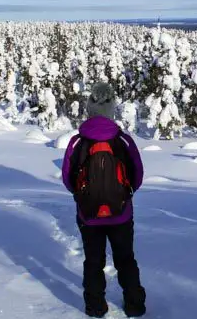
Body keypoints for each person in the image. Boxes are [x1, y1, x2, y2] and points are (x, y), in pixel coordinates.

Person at [61, 83, 146, 318]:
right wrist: (124, 196)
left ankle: (95, 307)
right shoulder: (123, 141)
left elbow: (67, 178)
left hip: (88, 215)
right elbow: (137, 175)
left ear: (89, 109)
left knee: (93, 261)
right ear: (112, 110)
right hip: (121, 213)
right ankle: (135, 306)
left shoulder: (77, 142)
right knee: (125, 258)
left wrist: (83, 198)